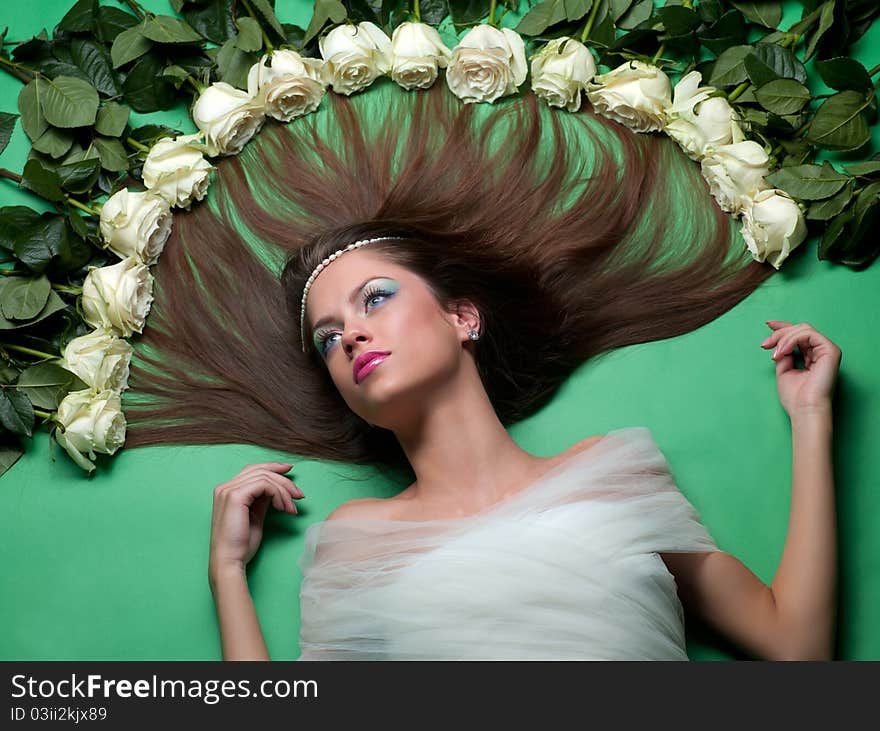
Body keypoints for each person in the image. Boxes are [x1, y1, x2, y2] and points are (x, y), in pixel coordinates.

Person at [120, 80, 839, 659]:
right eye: (329, 337)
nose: (352, 335)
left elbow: (794, 645)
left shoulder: (613, 470)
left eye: (375, 298)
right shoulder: (356, 537)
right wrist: (227, 578)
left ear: (462, 317)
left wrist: (810, 418)